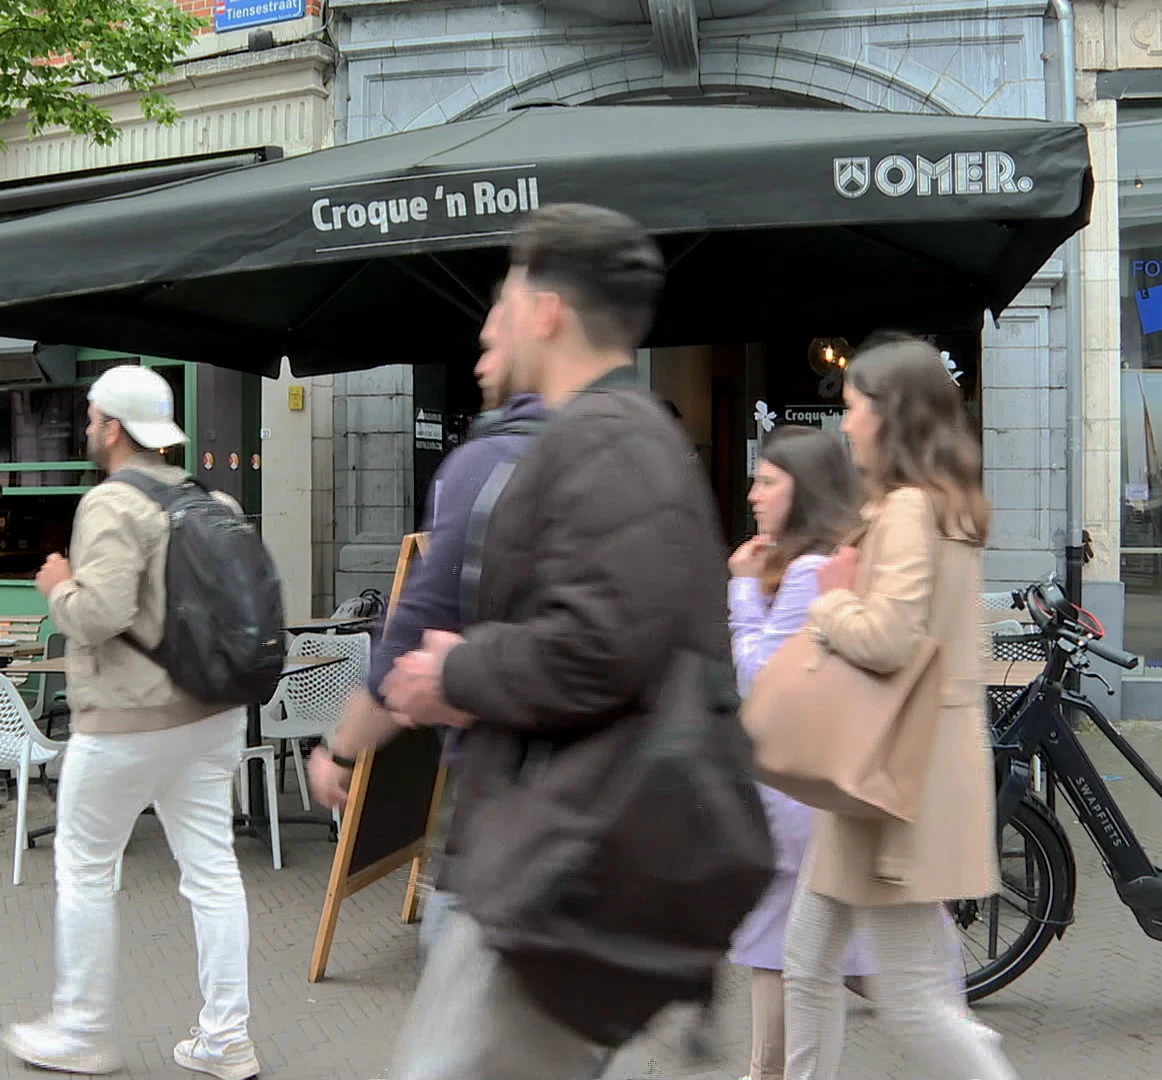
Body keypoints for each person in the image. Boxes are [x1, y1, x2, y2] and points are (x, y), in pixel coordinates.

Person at [378, 203, 736, 1079]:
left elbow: (600, 647)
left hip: (563, 861)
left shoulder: (606, 441)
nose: (493, 318)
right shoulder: (626, 437)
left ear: (545, 309)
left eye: (506, 294)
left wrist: (454, 667)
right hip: (570, 857)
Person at [5, 364, 259, 1080]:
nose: (87, 430)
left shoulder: (113, 503)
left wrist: (57, 589)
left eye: (90, 419)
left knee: (86, 868)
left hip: (129, 720)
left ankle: (81, 1030)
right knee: (212, 873)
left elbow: (101, 614)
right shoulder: (213, 499)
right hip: (213, 715)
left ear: (113, 427)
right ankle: (227, 1039)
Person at [781, 332, 1015, 1080]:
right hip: (890, 775)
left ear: (892, 415)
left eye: (853, 409)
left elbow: (886, 640)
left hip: (894, 782)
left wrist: (828, 603)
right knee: (806, 960)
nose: (844, 425)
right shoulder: (935, 506)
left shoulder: (911, 511)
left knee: (910, 996)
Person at [305, 313, 552, 955]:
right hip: (614, 814)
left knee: (463, 1025)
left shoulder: (483, 466)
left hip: (504, 806)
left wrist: (342, 749)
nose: (478, 366)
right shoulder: (636, 460)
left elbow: (409, 634)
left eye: (493, 348)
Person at [726, 426, 870, 1080]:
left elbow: (760, 678)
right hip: (794, 794)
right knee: (781, 954)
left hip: (793, 797)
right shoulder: (809, 565)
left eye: (767, 481)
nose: (753, 494)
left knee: (802, 957)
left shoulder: (809, 571)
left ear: (802, 491)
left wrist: (740, 588)